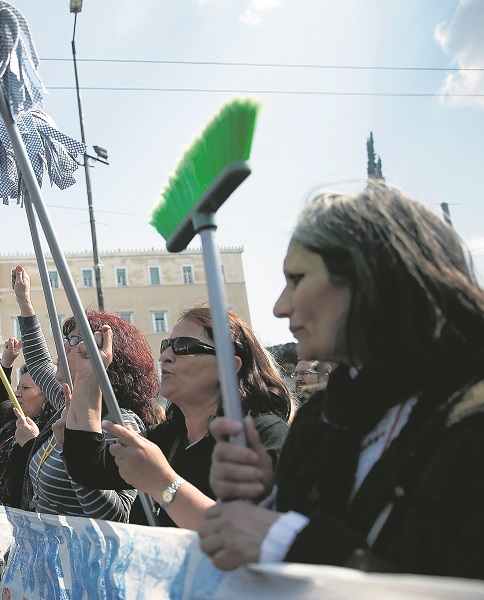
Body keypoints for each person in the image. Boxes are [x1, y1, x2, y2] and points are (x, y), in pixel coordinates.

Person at [199, 185, 484, 579]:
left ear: (372, 276)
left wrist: (291, 542)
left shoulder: (471, 424)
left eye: (297, 278)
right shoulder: (321, 417)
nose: (280, 307)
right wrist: (264, 498)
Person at [64, 307, 293, 529]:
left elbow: (246, 536)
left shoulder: (262, 436)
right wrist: (89, 376)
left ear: (228, 366)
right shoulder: (170, 436)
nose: (164, 356)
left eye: (183, 346)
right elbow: (88, 467)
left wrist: (164, 484)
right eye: (167, 345)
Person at [9, 265, 159, 521]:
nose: (63, 346)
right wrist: (25, 303)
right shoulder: (69, 404)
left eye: (74, 341)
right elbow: (37, 362)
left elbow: (117, 516)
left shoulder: (118, 423)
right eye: (66, 339)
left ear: (107, 356)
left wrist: (74, 451)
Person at [0, 337, 55, 508]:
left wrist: (29, 444)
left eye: (26, 389)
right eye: (18, 387)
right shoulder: (13, 422)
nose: (17, 394)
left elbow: (38, 484)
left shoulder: (54, 432)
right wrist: (6, 361)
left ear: (47, 396)